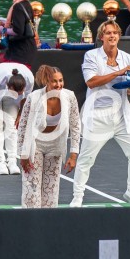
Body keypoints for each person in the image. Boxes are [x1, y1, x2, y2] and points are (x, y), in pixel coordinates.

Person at [70, 20, 130, 207]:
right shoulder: (91, 56)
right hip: (97, 115)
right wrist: (118, 72)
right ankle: (77, 196)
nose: (112, 36)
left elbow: (128, 88)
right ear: (101, 37)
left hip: (121, 115)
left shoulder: (128, 58)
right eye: (108, 33)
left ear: (119, 36)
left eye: (115, 33)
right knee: (86, 158)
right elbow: (91, 82)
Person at [16, 65, 81, 208]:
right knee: (31, 190)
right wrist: (23, 154)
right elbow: (23, 126)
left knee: (51, 191)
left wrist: (73, 155)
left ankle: (48, 225)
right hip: (35, 145)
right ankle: (31, 224)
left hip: (55, 146)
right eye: (54, 81)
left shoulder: (69, 97)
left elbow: (75, 125)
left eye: (61, 80)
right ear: (47, 82)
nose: (59, 85)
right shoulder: (34, 98)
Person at [0, 62, 34, 175]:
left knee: (12, 126)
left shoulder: (29, 79)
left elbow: (25, 99)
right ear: (8, 86)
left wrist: (20, 114)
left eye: (20, 92)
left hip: (11, 95)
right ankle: (0, 163)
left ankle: (12, 162)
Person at [2, 0, 37, 67]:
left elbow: (18, 31)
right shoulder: (26, 4)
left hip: (20, 53)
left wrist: (0, 29)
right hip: (28, 50)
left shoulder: (18, 6)